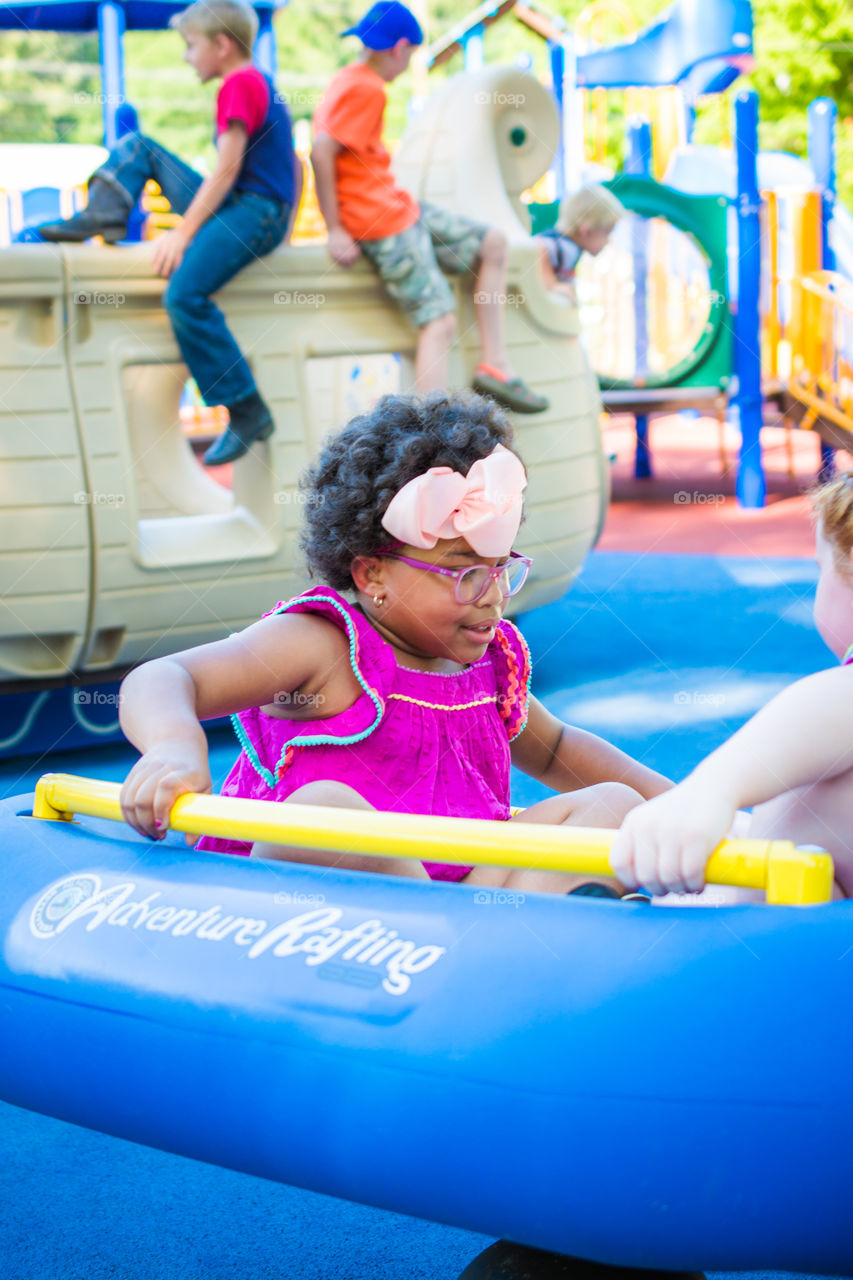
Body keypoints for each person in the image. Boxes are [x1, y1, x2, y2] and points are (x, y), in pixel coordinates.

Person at [119, 390, 670, 895]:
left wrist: (689, 804)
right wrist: (172, 748)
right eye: (463, 573)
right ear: (372, 575)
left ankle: (508, 950)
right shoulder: (326, 646)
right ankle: (472, 947)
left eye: (501, 568)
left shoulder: (488, 666)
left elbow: (554, 748)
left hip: (463, 893)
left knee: (613, 805)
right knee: (323, 811)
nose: (493, 595)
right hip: (309, 890)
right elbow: (166, 678)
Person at [38, 0, 299, 468]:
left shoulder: (239, 84)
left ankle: (245, 406)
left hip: (253, 209)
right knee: (139, 147)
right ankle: (105, 212)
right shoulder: (253, 81)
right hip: (253, 206)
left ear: (221, 45)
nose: (185, 56)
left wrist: (182, 233)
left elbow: (226, 171)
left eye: (191, 45)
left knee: (184, 295)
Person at [610, 475, 853, 901]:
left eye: (821, 570)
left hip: (777, 944)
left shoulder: (839, 693)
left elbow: (838, 700)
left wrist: (708, 792)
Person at [309, 1, 548, 415]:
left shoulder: (352, 79)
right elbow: (321, 151)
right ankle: (424, 430)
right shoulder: (364, 87)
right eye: (410, 56)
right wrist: (335, 228)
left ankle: (496, 364)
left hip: (397, 209)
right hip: (380, 222)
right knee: (439, 322)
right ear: (400, 48)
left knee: (492, 243)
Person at [537, 184, 625, 304]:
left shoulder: (569, 246)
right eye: (606, 232)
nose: (609, 240)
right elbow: (538, 247)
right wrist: (551, 284)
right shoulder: (565, 247)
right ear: (585, 231)